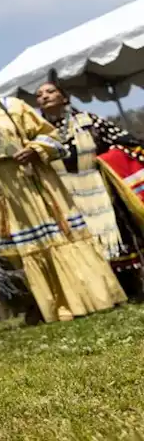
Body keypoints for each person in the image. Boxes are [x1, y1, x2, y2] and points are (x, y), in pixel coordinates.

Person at [0, 67, 126, 322]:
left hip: (34, 180)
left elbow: (51, 136)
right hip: (0, 189)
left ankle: (91, 296)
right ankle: (48, 308)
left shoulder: (13, 107)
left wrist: (34, 149)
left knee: (59, 236)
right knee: (23, 248)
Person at [35, 78, 144, 298]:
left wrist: (106, 160)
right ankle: (100, 290)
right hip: (65, 195)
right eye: (39, 95)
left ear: (64, 97)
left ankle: (132, 285)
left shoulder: (89, 121)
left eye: (50, 91)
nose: (44, 96)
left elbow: (123, 141)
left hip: (99, 189)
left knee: (118, 235)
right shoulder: (38, 133)